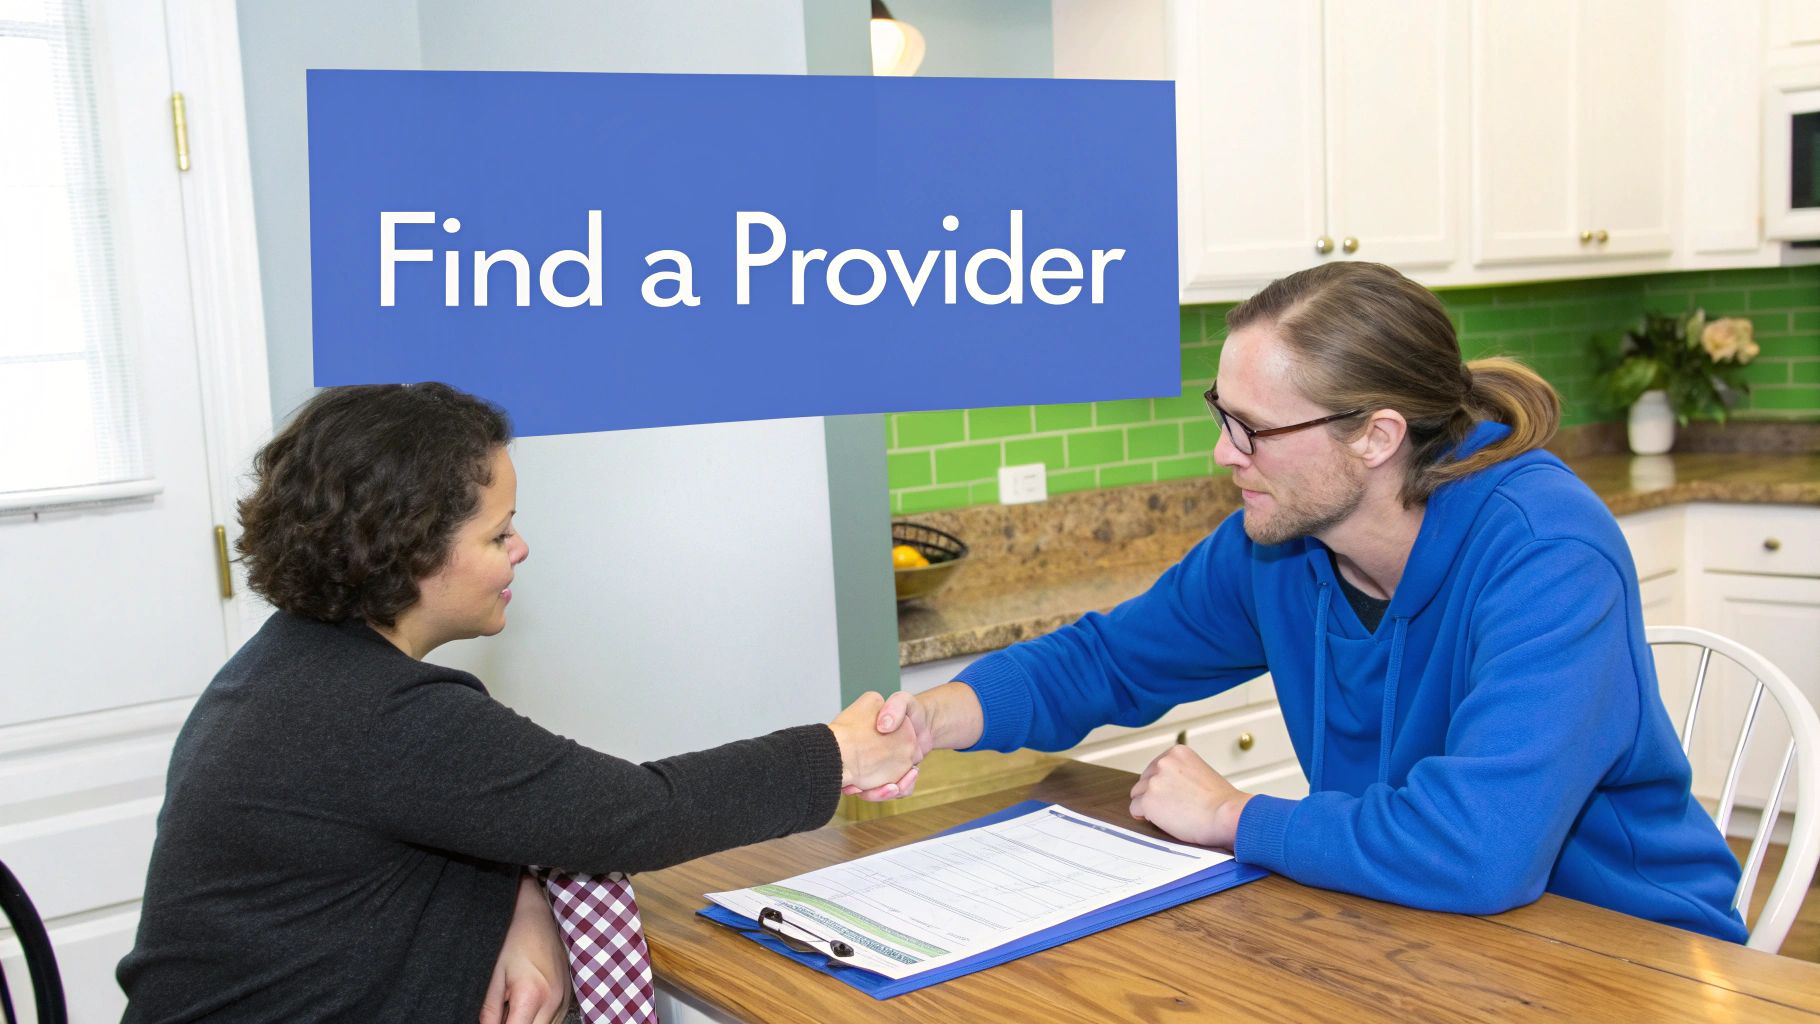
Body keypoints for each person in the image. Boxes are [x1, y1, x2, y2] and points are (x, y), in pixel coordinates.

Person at [857, 261, 1749, 943]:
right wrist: (932, 719)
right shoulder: (1278, 545)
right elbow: (1108, 660)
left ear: (1376, 437)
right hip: (1408, 921)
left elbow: (1481, 849)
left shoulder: (1546, 551)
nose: (1221, 452)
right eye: (1222, 412)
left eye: (1253, 428)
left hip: (1624, 945)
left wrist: (1231, 817)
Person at [118, 382, 919, 1022]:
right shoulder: (389, 717)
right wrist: (841, 750)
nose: (521, 549)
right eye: (499, 534)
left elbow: (476, 820)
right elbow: (638, 814)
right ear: (408, 551)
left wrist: (524, 899)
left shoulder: (287, 666)